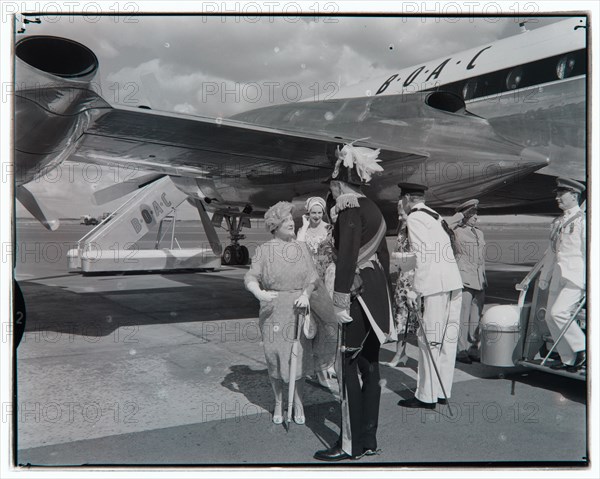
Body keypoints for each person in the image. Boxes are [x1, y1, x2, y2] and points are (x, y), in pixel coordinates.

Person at [314, 143, 396, 462]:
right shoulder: (373, 208)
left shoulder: (349, 209)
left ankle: (350, 445)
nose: (332, 194)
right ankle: (369, 439)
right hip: (375, 299)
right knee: (371, 368)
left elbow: (347, 257)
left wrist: (339, 301)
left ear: (338, 184)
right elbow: (383, 258)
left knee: (347, 368)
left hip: (356, 300)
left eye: (332, 187)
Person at [244, 201, 337, 425]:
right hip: (273, 309)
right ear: (274, 225)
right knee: (275, 358)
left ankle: (298, 402)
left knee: (299, 359)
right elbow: (251, 276)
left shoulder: (301, 248)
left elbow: (312, 277)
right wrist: (258, 292)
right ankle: (278, 402)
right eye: (286, 221)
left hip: (298, 309)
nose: (291, 224)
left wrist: (306, 293)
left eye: (291, 221)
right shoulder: (264, 250)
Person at [396, 182, 463, 410]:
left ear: (407, 198)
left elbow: (422, 255)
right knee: (448, 339)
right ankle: (443, 390)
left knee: (429, 341)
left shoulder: (415, 218)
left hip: (434, 286)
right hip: (453, 282)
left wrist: (415, 289)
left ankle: (427, 396)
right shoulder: (434, 215)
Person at [538, 177, 586, 372]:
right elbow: (552, 252)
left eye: (561, 194)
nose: (557, 198)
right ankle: (569, 358)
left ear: (574, 195)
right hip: (558, 275)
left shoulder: (584, 221)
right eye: (557, 194)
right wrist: (544, 277)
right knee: (550, 316)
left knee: (559, 313)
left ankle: (583, 347)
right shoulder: (558, 222)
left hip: (576, 276)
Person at [296, 196, 338, 391]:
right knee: (312, 325)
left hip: (327, 280)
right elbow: (298, 249)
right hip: (310, 280)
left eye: (319, 212)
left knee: (329, 323)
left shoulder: (330, 229)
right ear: (307, 213)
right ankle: (318, 368)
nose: (316, 216)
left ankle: (328, 363)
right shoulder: (302, 231)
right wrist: (304, 228)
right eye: (313, 213)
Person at [453, 199, 486, 364]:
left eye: (476, 213)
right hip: (464, 279)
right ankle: (461, 350)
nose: (475, 217)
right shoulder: (456, 232)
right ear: (465, 216)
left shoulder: (479, 233)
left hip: (479, 279)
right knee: (462, 317)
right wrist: (459, 215)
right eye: (471, 214)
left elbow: (481, 259)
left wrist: (484, 277)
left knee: (476, 317)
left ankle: (474, 349)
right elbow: (443, 225)